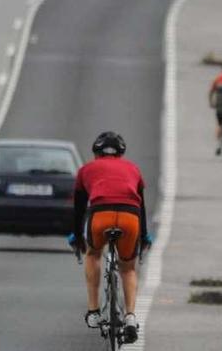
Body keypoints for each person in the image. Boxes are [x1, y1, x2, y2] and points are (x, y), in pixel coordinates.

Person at [70, 132, 151, 345]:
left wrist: (77, 236)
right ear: (121, 153)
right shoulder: (133, 169)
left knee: (93, 254)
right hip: (130, 217)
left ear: (96, 153)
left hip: (100, 215)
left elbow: (79, 210)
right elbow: (140, 206)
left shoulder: (86, 170)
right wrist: (144, 236)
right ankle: (131, 316)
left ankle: (94, 310)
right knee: (128, 268)